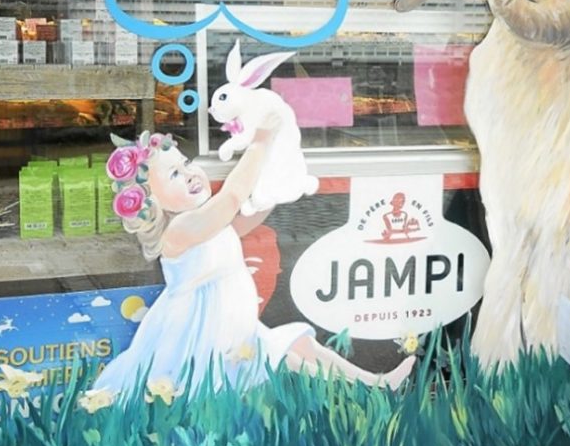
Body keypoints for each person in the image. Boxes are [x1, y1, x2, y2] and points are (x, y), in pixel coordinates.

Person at [82, 129, 414, 407]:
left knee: (300, 346)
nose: (189, 174)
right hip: (204, 333)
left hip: (231, 323)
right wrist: (260, 142)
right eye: (174, 175)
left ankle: (376, 383)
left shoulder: (205, 225)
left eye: (185, 165)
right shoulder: (179, 232)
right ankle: (360, 400)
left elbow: (239, 221)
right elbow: (230, 200)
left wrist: (277, 191)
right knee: (281, 356)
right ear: (153, 203)